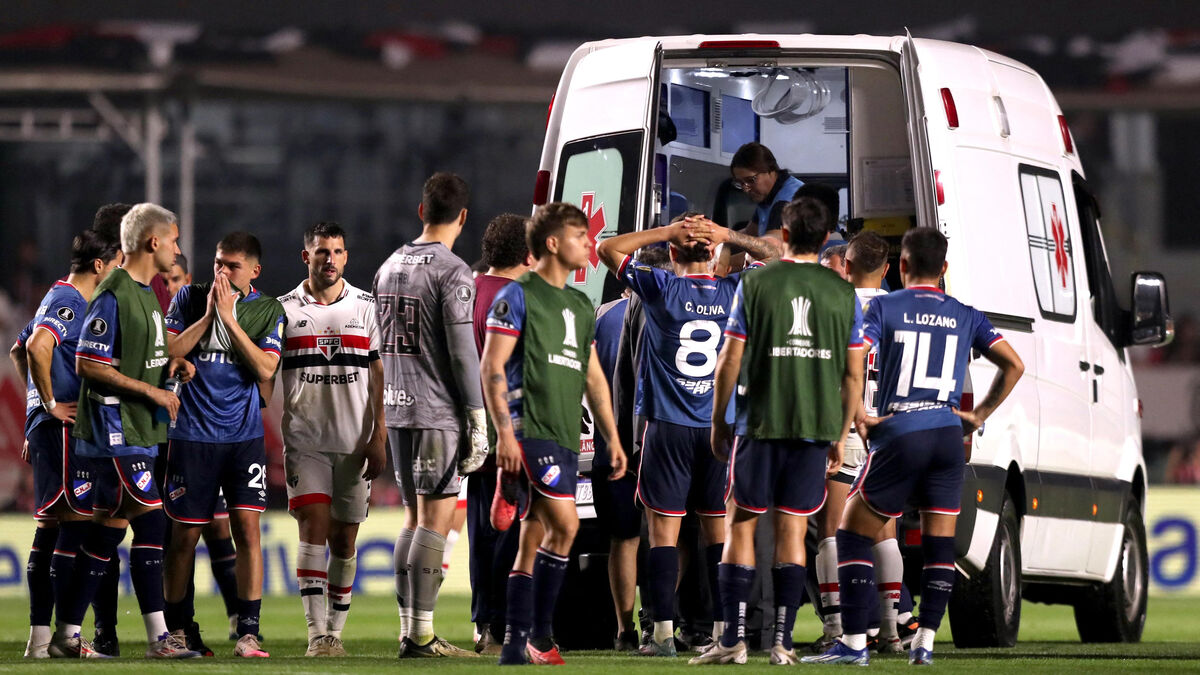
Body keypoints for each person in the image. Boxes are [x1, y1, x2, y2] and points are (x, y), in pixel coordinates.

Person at [803, 227, 1024, 666]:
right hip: (946, 433)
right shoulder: (965, 313)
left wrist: (856, 418)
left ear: (901, 266)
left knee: (849, 534)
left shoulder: (884, 306)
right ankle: (923, 639)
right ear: (943, 269)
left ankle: (852, 643)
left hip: (901, 429)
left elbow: (855, 361)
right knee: (939, 544)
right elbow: (1014, 365)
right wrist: (979, 414)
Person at [597, 213, 780, 658]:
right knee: (720, 535)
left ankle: (660, 635)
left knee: (663, 534)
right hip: (719, 429)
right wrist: (727, 236)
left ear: (674, 253)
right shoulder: (739, 289)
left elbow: (606, 249)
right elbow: (775, 254)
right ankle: (723, 633)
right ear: (715, 254)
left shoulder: (659, 287)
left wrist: (666, 232)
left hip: (667, 428)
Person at [694, 196, 865, 666]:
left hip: (760, 422)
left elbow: (729, 360)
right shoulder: (842, 293)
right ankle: (784, 644)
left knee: (741, 522)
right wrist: (838, 432)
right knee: (793, 529)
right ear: (826, 238)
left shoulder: (756, 283)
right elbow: (853, 375)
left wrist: (717, 420)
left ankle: (732, 640)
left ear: (784, 236)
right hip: (814, 428)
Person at [51, 202, 200, 659]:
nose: (177, 247)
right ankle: (159, 638)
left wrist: (171, 365)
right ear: (153, 242)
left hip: (138, 430)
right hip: (113, 429)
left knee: (108, 532)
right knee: (152, 520)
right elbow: (89, 363)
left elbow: (144, 357)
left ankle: (66, 635)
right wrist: (153, 394)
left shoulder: (147, 293)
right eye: (173, 239)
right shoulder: (113, 291)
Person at [482, 202, 628, 666]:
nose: (589, 243)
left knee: (533, 537)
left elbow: (594, 378)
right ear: (551, 244)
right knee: (565, 525)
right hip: (531, 429)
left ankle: (513, 644)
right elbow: (491, 368)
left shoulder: (580, 304)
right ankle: (539, 638)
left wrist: (613, 436)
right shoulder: (518, 294)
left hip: (565, 431)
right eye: (579, 236)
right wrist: (505, 435)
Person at [373, 172, 488, 659]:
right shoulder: (455, 271)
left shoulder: (386, 266)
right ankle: (421, 636)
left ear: (422, 211)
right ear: (463, 216)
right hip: (438, 411)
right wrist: (478, 418)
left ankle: (409, 630)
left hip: (397, 408)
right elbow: (463, 354)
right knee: (435, 522)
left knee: (412, 518)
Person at [161, 231, 284, 658]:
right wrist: (211, 315)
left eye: (231, 265)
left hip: (243, 438)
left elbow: (267, 368)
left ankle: (248, 631)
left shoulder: (268, 310)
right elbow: (168, 350)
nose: (222, 272)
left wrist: (230, 321)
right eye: (217, 263)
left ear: (254, 270)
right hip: (191, 436)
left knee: (247, 531)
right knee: (184, 537)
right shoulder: (188, 299)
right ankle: (175, 630)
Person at [9, 229, 121, 658]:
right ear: (99, 265)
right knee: (74, 527)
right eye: (113, 265)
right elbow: (37, 346)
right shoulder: (71, 302)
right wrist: (51, 405)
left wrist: (35, 409)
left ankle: (40, 642)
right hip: (61, 429)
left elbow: (18, 351)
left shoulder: (52, 296)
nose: (115, 273)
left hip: (46, 428)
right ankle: (65, 638)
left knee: (50, 528)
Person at [279, 221, 386, 657]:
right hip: (305, 441)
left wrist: (379, 433)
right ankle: (316, 634)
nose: (330, 259)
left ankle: (335, 632)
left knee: (344, 541)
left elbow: (378, 373)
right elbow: (268, 372)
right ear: (307, 257)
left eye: (338, 252)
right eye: (322, 252)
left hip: (356, 442)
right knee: (314, 529)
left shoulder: (367, 306)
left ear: (346, 256)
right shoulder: (283, 310)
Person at [809, 231, 905, 651]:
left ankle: (837, 629)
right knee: (885, 530)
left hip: (846, 426)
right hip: (891, 430)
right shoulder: (901, 309)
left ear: (845, 268)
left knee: (831, 529)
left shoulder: (834, 308)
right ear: (887, 269)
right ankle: (890, 631)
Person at [467, 213, 530, 654]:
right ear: (528, 253)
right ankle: (504, 625)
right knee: (511, 530)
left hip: (470, 430)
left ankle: (483, 624)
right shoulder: (515, 296)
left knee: (480, 531)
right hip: (506, 427)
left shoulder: (465, 290)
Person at [729, 142, 803, 237]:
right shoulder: (768, 195)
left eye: (751, 180)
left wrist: (726, 236)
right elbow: (750, 233)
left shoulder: (785, 203)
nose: (745, 189)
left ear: (771, 170)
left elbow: (771, 248)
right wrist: (719, 240)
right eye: (740, 183)